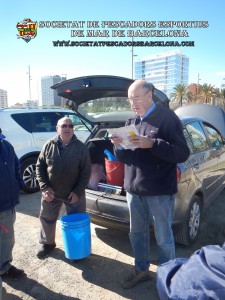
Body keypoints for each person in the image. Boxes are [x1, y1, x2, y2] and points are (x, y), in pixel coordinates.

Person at [110, 80, 190, 289]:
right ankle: (141, 270)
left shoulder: (168, 119)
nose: (132, 102)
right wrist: (118, 146)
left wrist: (153, 144)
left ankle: (167, 278)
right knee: (137, 234)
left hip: (159, 192)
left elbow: (182, 153)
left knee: (163, 237)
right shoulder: (131, 120)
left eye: (136, 97)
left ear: (149, 95)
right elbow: (124, 157)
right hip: (133, 191)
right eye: (130, 98)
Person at [36, 117, 92, 259]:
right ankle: (47, 244)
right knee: (46, 218)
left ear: (73, 128)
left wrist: (78, 191)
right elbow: (40, 167)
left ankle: (77, 250)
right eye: (64, 125)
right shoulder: (48, 146)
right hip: (52, 193)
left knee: (76, 224)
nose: (67, 128)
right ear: (57, 128)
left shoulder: (81, 148)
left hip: (74, 194)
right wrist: (44, 188)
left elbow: (86, 172)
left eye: (70, 125)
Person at [0, 128, 25, 279]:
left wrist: (19, 183)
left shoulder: (7, 145)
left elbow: (16, 166)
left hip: (8, 205)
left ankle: (4, 267)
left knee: (6, 239)